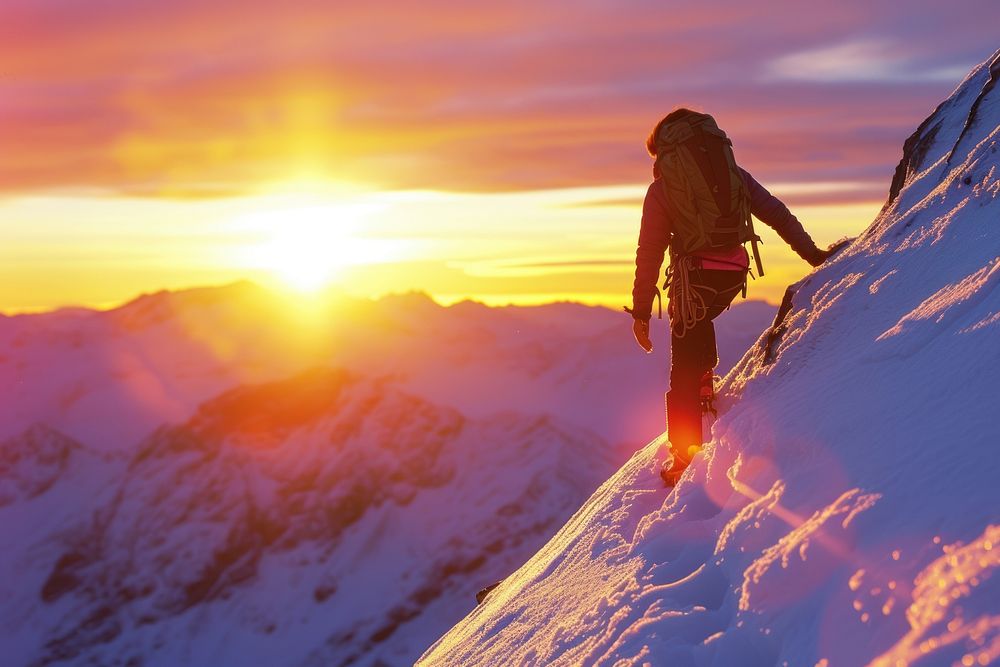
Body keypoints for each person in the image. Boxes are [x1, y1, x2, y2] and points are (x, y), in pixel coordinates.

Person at [628, 108, 836, 486]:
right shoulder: (731, 173)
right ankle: (706, 379)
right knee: (698, 318)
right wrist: (813, 255)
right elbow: (775, 212)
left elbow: (650, 251)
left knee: (682, 360)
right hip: (733, 274)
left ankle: (683, 454)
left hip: (695, 280)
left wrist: (641, 311)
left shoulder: (662, 190)